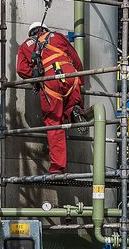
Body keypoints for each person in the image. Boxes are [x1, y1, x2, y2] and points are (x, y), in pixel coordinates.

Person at [15, 22, 84, 174]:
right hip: (70, 75)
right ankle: (74, 109)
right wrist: (81, 82)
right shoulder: (58, 37)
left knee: (54, 124)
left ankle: (57, 168)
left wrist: (36, 77)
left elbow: (21, 69)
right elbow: (76, 59)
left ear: (30, 33)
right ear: (45, 30)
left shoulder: (26, 45)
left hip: (50, 81)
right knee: (71, 101)